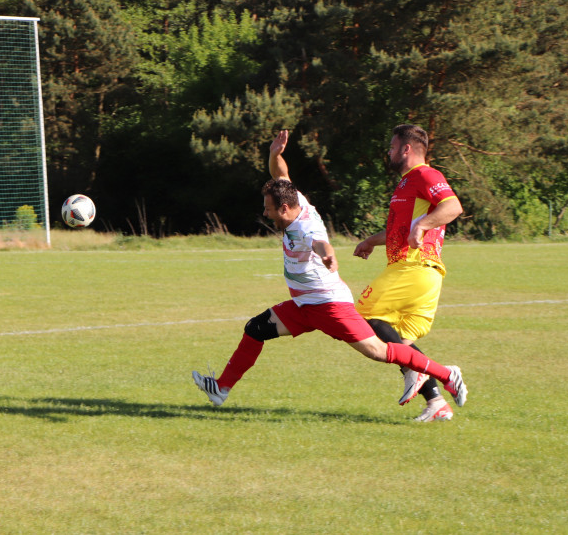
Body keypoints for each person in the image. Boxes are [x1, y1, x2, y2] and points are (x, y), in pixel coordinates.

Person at [192, 130, 466, 410]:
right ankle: (221, 389)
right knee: (256, 328)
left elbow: (320, 243)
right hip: (304, 304)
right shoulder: (295, 200)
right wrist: (275, 155)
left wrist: (329, 256)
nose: (266, 213)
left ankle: (446, 374)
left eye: (269, 210)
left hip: (329, 305)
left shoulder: (303, 228)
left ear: (285, 209)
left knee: (379, 350)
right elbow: (281, 176)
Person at [353, 124, 463, 422]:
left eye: (392, 146)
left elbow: (452, 206)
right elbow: (395, 230)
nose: (388, 151)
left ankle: (424, 371)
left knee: (360, 316)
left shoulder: (426, 175)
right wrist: (370, 242)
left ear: (406, 149)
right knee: (396, 341)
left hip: (414, 267)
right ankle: (436, 400)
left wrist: (423, 226)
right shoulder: (405, 184)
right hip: (418, 274)